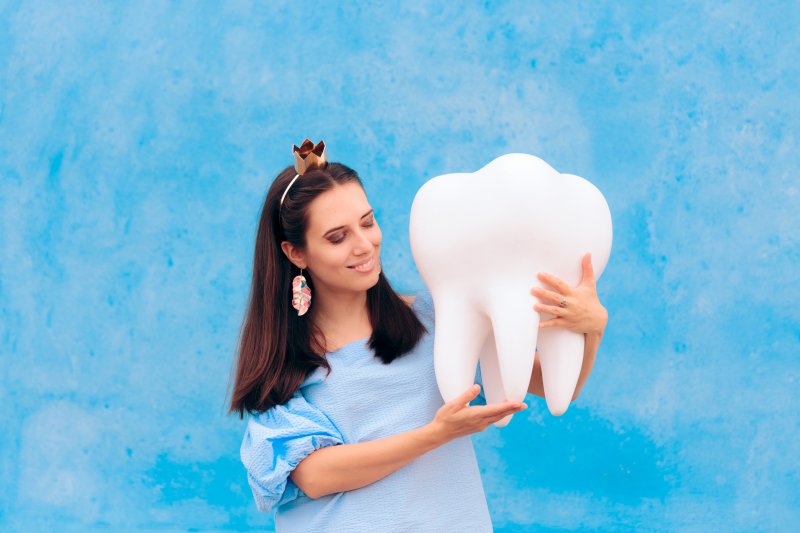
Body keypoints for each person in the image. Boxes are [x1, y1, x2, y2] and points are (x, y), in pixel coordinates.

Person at [228, 140, 609, 532]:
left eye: (367, 222)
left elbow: (555, 386)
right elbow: (313, 475)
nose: (364, 245)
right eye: (337, 237)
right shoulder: (286, 356)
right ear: (296, 254)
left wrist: (592, 326)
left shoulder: (435, 316)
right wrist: (436, 434)